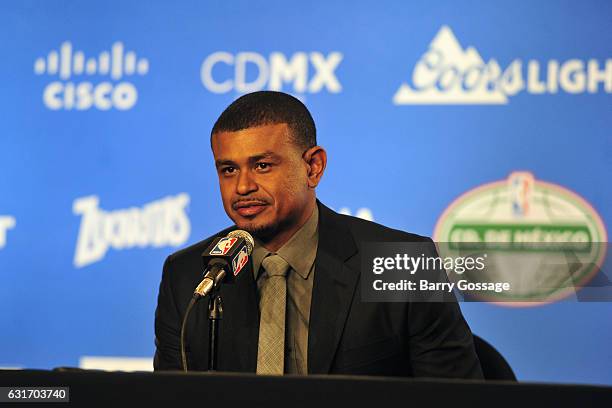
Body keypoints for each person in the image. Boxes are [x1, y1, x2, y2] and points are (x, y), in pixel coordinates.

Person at [154, 91, 483, 378]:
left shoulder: (405, 265)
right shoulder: (189, 278)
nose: (242, 186)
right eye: (229, 170)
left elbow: (458, 400)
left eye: (263, 165)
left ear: (313, 167)